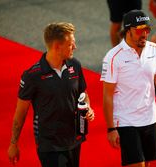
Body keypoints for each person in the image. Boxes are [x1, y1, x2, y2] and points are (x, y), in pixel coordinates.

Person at [7, 22, 95, 167]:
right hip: (49, 144)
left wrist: (88, 108)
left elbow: (82, 93)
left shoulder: (75, 65)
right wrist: (13, 144)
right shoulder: (32, 76)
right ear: (57, 46)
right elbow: (20, 112)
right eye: (71, 44)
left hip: (74, 139)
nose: (75, 47)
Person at [101, 10, 156, 167]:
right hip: (125, 121)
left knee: (147, 164)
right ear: (127, 31)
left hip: (150, 119)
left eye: (147, 30)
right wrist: (111, 128)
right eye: (139, 30)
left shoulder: (154, 49)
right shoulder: (113, 57)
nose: (144, 34)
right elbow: (107, 95)